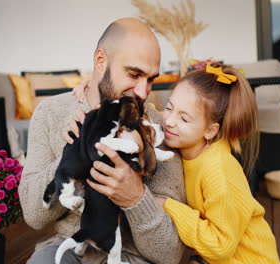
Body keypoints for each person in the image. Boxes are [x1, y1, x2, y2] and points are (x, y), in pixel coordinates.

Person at [19, 17, 186, 264]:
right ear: (101, 61)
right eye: (134, 74)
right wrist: (76, 151)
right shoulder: (51, 113)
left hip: (131, 256)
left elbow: (169, 253)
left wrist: (135, 197)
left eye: (150, 79)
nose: (142, 92)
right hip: (71, 247)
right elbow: (34, 215)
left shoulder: (156, 127)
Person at [157, 63, 280, 263]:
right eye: (169, 107)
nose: (169, 121)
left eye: (184, 118)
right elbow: (150, 112)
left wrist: (167, 206)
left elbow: (220, 246)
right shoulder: (189, 145)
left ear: (210, 131)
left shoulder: (218, 171)